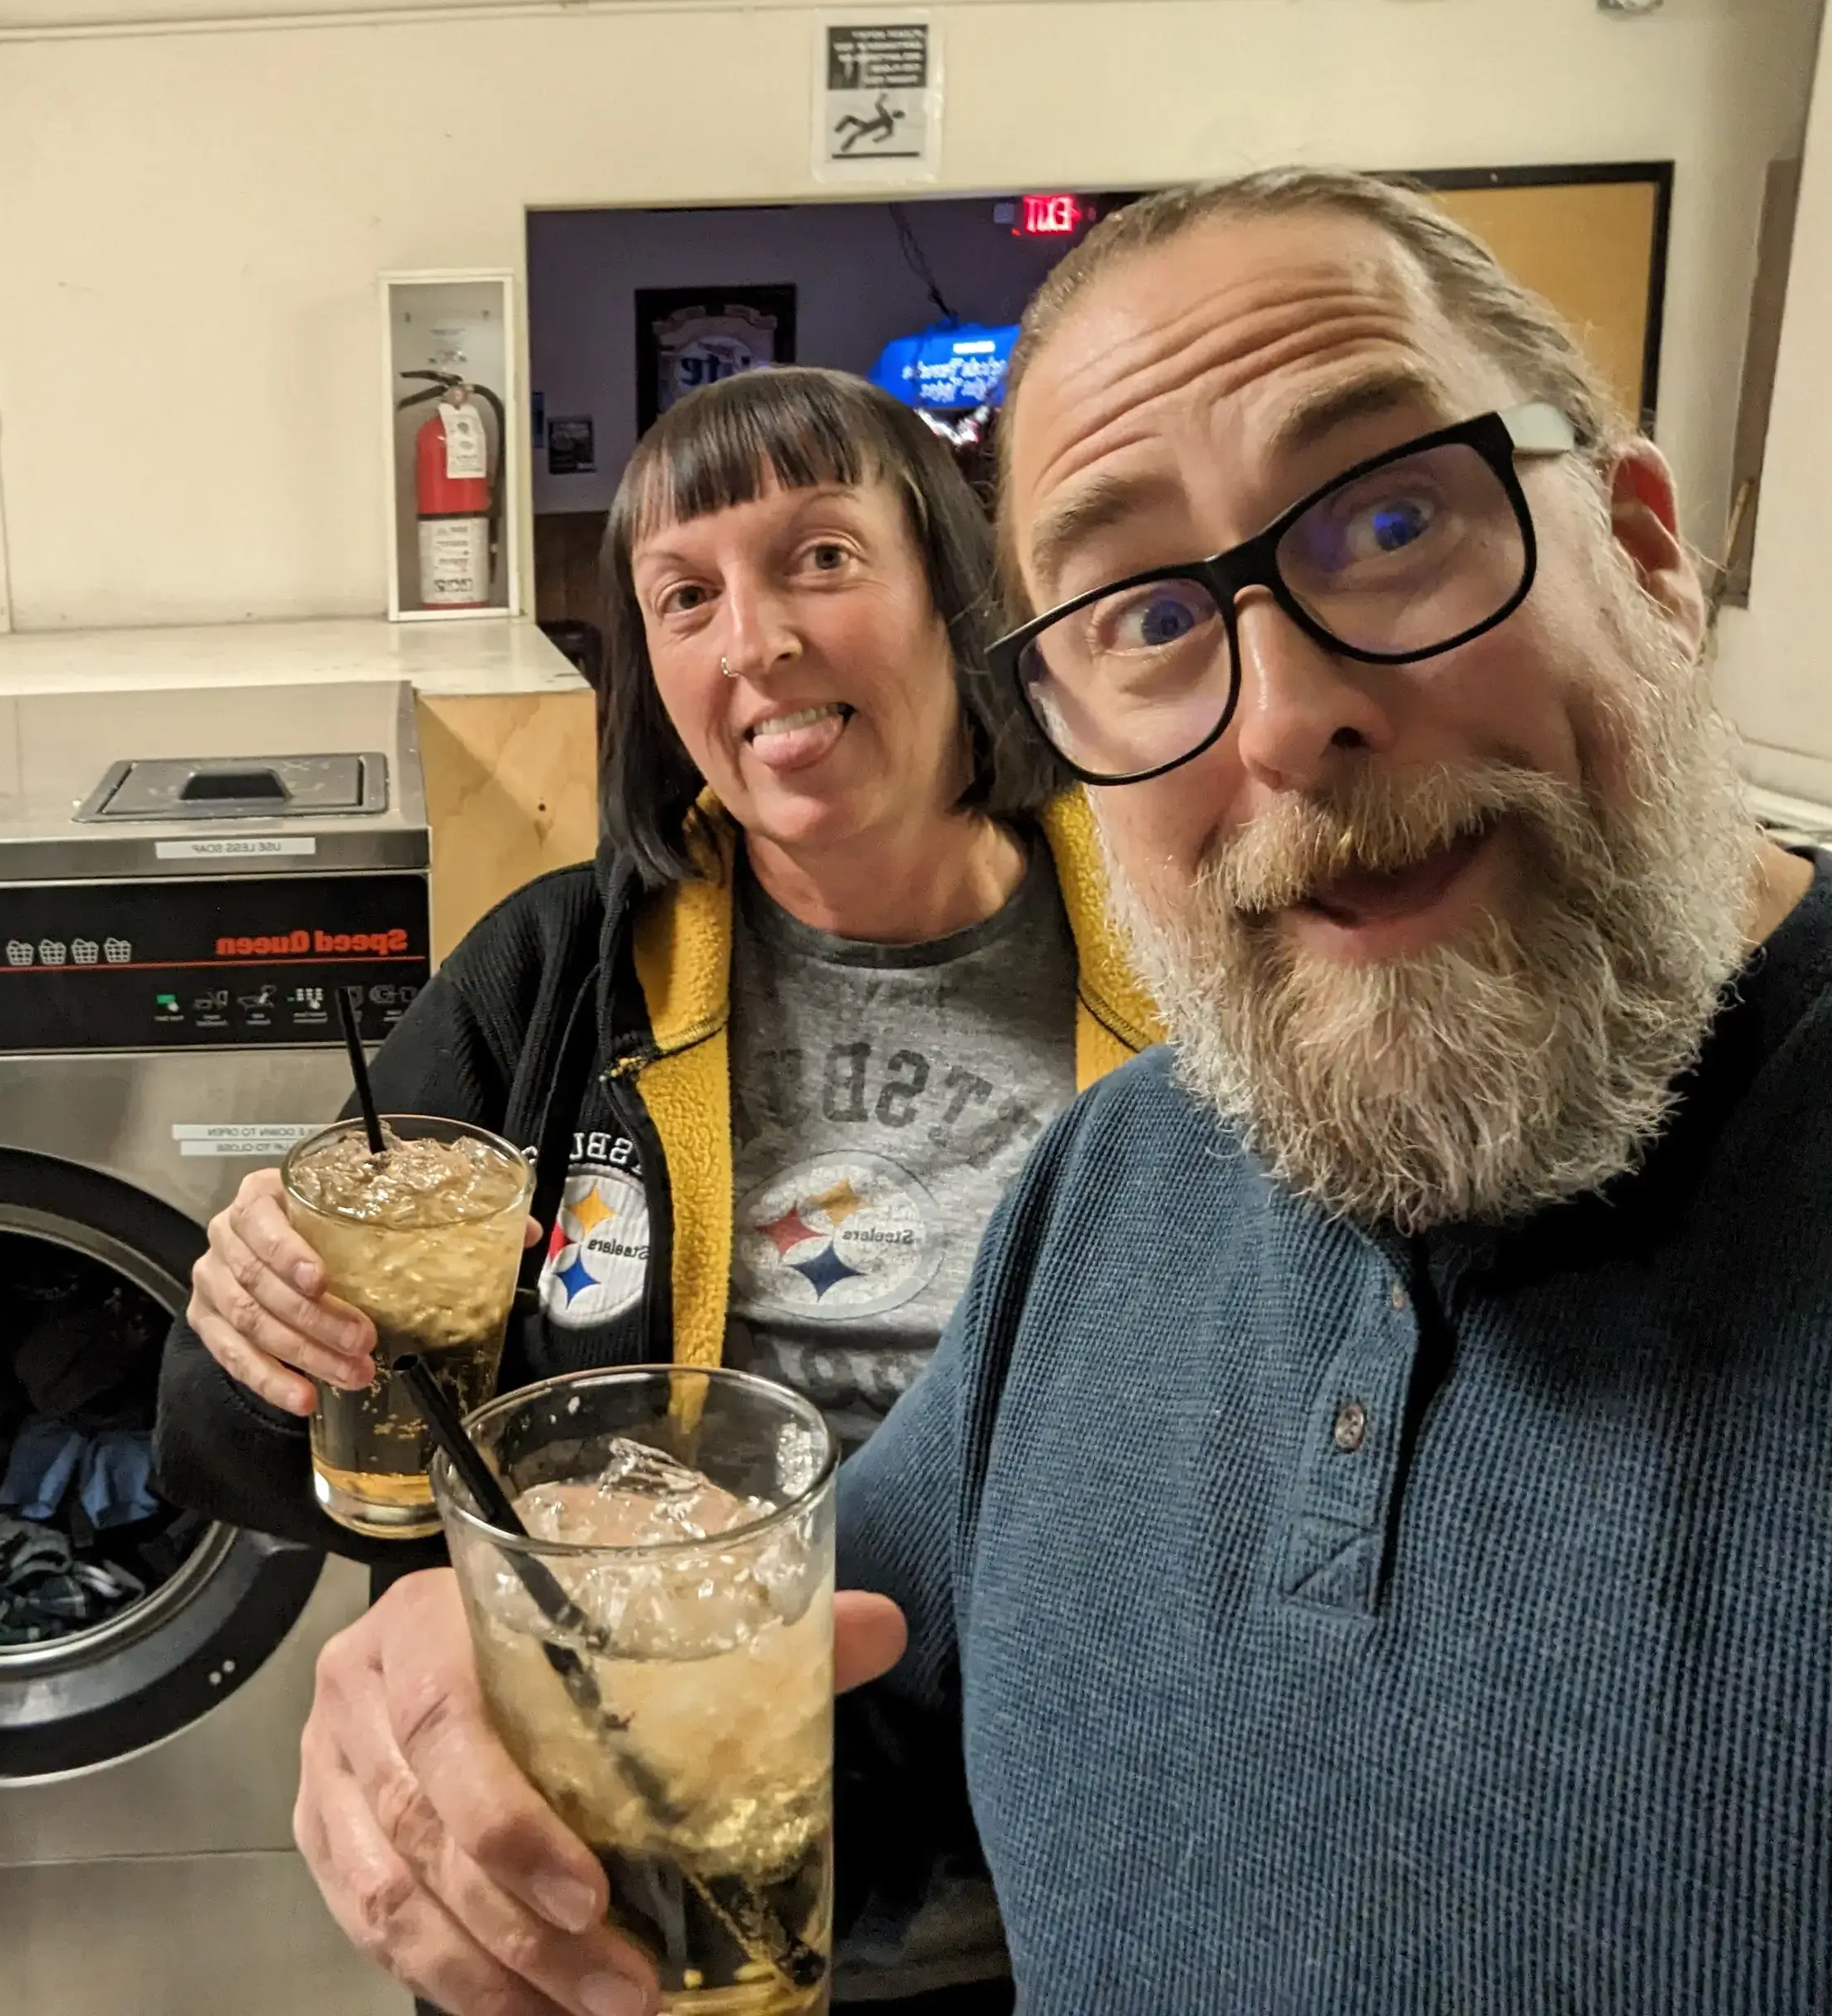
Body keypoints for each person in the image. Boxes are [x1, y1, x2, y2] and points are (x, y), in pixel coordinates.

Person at [271, 165, 1832, 2016]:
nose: (1279, 718)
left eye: (1392, 516)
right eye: (1148, 619)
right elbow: (851, 1732)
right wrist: (502, 1682)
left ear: (1648, 553)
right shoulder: (1121, 1185)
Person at [156, 365, 1169, 2012]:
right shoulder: (557, 977)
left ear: (950, 583)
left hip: (1088, 1928)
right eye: (683, 595)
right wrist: (264, 1310)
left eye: (820, 558)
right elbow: (249, 1442)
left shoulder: (1185, 955)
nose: (752, 640)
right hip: (637, 1929)